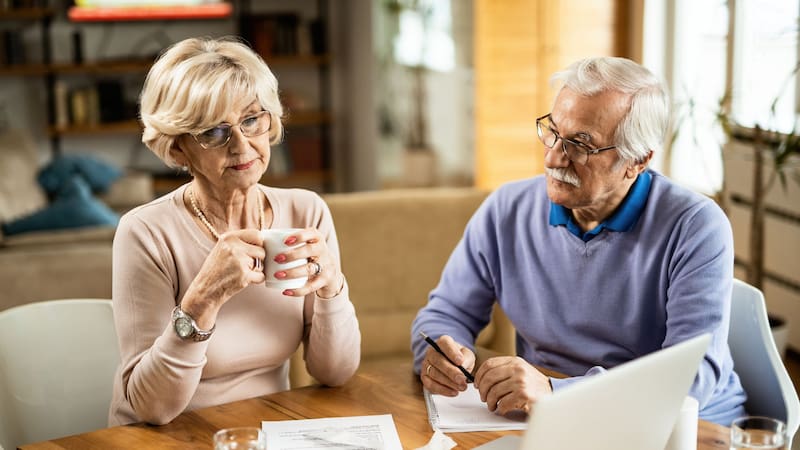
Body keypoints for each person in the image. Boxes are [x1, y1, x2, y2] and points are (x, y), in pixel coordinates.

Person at [411, 56, 746, 426]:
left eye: (581, 144)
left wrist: (556, 393)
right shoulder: (506, 210)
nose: (554, 157)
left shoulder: (696, 227)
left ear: (637, 161)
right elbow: (445, 313)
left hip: (679, 427)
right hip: (551, 420)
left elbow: (689, 380)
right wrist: (444, 354)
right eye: (553, 131)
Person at [109, 37, 360, 426]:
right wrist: (202, 300)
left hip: (264, 432)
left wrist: (332, 289)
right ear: (178, 149)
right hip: (163, 437)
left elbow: (334, 373)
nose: (242, 145)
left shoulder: (305, 211)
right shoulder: (145, 232)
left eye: (251, 119)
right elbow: (152, 408)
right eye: (214, 131)